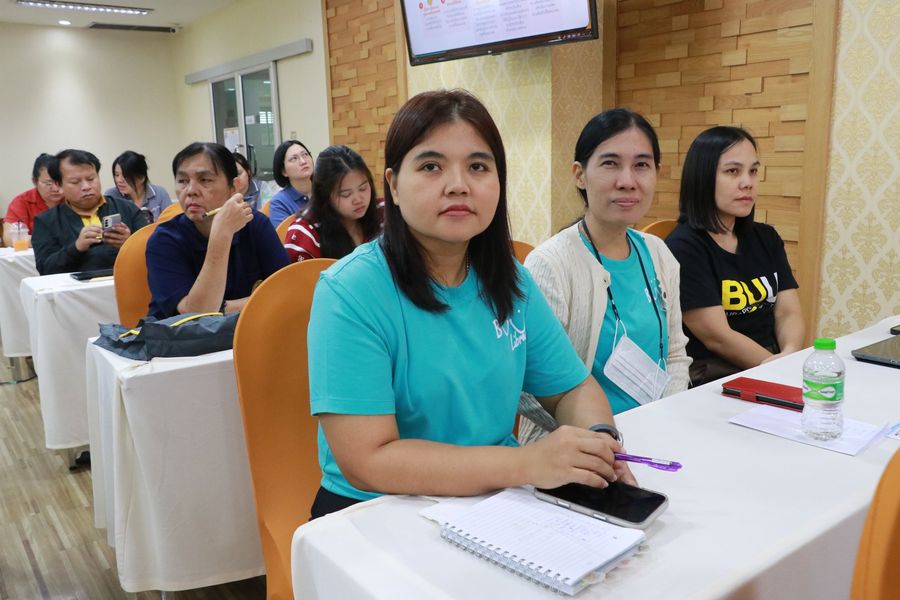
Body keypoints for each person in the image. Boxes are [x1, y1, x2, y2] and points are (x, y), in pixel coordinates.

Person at [307, 89, 634, 519]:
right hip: (377, 511)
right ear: (394, 186)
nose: (458, 185)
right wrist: (525, 463)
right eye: (431, 166)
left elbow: (571, 388)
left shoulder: (510, 280)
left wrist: (599, 443)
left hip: (494, 501)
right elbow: (369, 460)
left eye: (478, 166)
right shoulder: (350, 291)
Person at [517, 109, 691, 444]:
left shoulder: (659, 254)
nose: (627, 181)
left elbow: (675, 355)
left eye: (641, 165)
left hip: (658, 434)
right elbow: (528, 385)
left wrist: (665, 419)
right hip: (576, 444)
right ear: (580, 175)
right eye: (610, 163)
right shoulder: (551, 265)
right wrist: (602, 433)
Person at [666, 126, 804, 385]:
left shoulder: (767, 237)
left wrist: (789, 355)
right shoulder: (683, 247)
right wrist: (780, 370)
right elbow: (717, 337)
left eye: (753, 171)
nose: (747, 182)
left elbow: (788, 313)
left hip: (771, 365)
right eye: (733, 171)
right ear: (703, 178)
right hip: (716, 377)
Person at [146, 142, 289, 320]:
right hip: (184, 335)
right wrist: (222, 234)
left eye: (205, 180)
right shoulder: (164, 240)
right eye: (182, 181)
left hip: (247, 330)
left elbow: (286, 291)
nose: (190, 191)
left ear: (233, 187)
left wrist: (223, 307)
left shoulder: (255, 224)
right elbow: (198, 315)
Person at [32, 149, 144, 275]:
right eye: (75, 182)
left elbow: (153, 251)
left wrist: (129, 243)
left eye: (91, 179)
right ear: (59, 185)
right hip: (75, 287)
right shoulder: (46, 222)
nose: (86, 187)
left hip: (126, 281)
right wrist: (76, 247)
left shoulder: (127, 208)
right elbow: (45, 269)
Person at [283, 144, 382, 262]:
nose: (358, 200)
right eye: (346, 194)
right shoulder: (305, 233)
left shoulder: (383, 211)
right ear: (324, 195)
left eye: (363, 188)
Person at [3, 153, 64, 246]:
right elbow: (9, 238)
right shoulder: (22, 201)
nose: (56, 189)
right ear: (35, 181)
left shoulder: (74, 199)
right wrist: (53, 241)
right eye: (48, 183)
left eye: (60, 182)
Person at [105, 150, 172, 223]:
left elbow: (171, 224)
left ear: (141, 177)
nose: (119, 180)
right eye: (116, 175)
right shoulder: (111, 196)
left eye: (125, 176)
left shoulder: (160, 193)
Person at [268, 139, 312, 227]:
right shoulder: (279, 203)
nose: (303, 161)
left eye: (305, 155)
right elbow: (285, 235)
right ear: (284, 171)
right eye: (294, 158)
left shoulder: (326, 189)